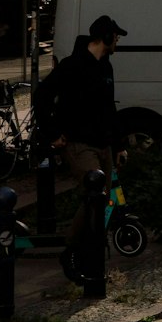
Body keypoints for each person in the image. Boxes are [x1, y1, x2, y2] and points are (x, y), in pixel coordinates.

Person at [50, 15, 127, 280]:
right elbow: (44, 96)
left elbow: (109, 107)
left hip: (103, 143)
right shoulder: (73, 66)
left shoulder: (107, 67)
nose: (117, 41)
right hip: (80, 144)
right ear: (104, 38)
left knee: (105, 200)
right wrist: (53, 133)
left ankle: (89, 256)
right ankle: (71, 251)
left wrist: (119, 144)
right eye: (115, 36)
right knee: (95, 196)